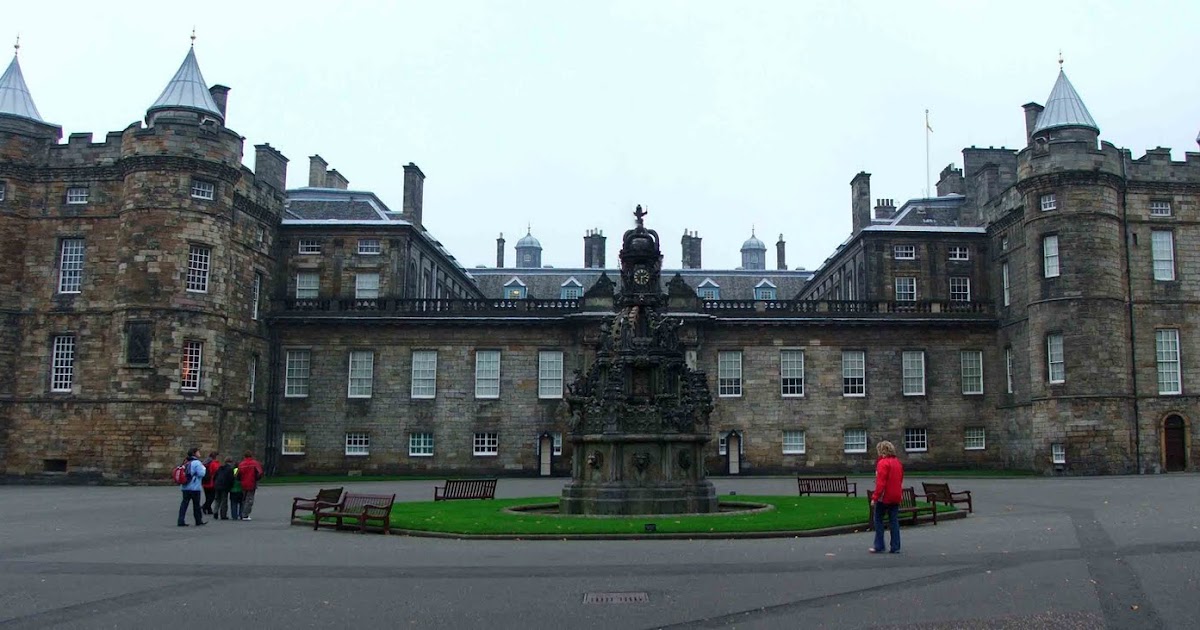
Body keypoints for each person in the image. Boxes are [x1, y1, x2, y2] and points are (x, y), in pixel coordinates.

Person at [869, 440, 903, 554]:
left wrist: (874, 497)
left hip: (885, 496)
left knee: (878, 519)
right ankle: (895, 546)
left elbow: (881, 483)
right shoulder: (897, 462)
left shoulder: (883, 463)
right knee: (894, 520)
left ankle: (879, 545)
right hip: (896, 495)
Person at [176, 447, 207, 527]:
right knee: (196, 505)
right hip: (194, 487)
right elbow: (201, 474)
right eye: (198, 452)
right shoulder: (197, 463)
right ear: (194, 453)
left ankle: (180, 520)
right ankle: (198, 520)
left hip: (185, 486)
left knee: (184, 504)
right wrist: (204, 469)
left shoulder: (185, 461)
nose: (199, 453)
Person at [236, 450, 264, 521]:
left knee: (244, 499)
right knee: (249, 499)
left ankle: (242, 513)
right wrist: (256, 479)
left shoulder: (241, 464)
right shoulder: (255, 463)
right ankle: (245, 515)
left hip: (243, 483)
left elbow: (237, 474)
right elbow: (260, 473)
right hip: (251, 483)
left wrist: (240, 480)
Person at [201, 451, 220, 515]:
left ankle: (209, 509)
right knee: (212, 497)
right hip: (211, 481)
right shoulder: (213, 463)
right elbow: (216, 472)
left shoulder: (205, 462)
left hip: (204, 481)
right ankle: (205, 507)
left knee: (207, 496)